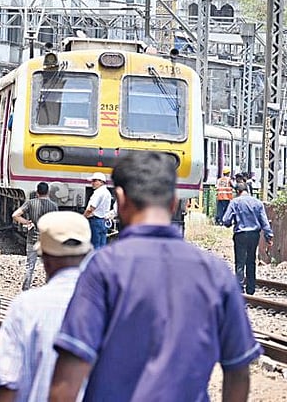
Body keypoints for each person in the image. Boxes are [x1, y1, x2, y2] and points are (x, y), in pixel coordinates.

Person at [49, 151, 262, 402]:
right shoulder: (216, 272)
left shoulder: (104, 267)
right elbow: (238, 369)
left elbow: (68, 378)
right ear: (173, 202)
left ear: (121, 199)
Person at [0, 211, 92, 402]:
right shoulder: (112, 304)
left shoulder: (25, 306)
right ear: (87, 254)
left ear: (45, 259)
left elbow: (6, 382)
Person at [222, 182, 273, 295]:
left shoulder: (235, 202)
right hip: (254, 235)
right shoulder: (258, 202)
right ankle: (251, 288)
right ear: (248, 190)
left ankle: (239, 288)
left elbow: (226, 220)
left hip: (240, 235)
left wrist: (229, 223)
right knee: (251, 261)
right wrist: (268, 236)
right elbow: (264, 222)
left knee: (240, 262)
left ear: (237, 191)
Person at [12, 182, 59, 290]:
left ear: (37, 192)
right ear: (48, 192)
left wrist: (26, 222)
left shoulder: (30, 203)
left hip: (32, 239)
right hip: (47, 240)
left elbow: (15, 215)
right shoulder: (53, 206)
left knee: (30, 265)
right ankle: (48, 288)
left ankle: (26, 288)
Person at [83, 172, 111, 249]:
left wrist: (83, 217)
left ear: (101, 182)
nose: (92, 183)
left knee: (94, 246)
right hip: (103, 221)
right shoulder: (107, 192)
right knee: (102, 245)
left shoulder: (98, 193)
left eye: (94, 181)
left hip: (95, 221)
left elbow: (91, 209)